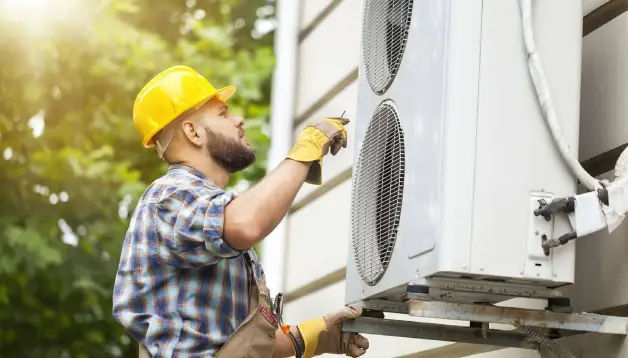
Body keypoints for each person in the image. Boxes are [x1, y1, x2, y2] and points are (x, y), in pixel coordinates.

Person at [112, 65, 371, 358]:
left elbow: (243, 347)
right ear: (193, 131)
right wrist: (306, 150)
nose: (239, 119)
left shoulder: (209, 214)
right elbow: (246, 224)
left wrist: (321, 335)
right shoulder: (170, 196)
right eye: (223, 114)